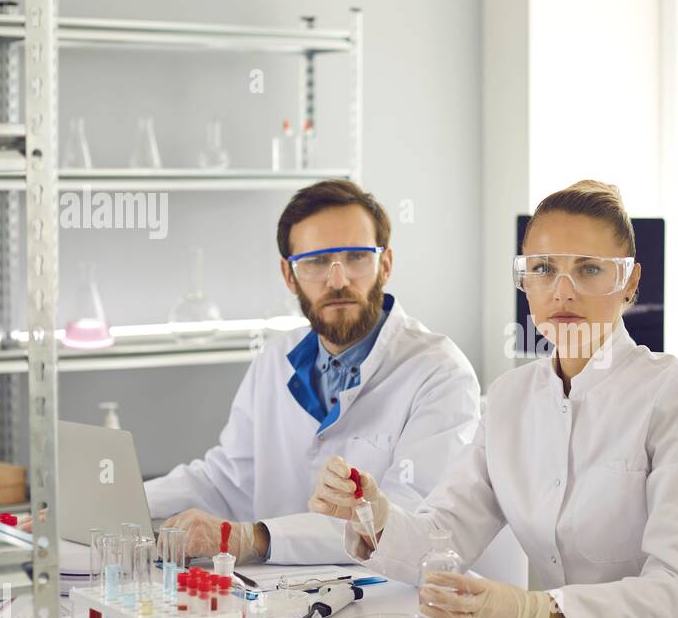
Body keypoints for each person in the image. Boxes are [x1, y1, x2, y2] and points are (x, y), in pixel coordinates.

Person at [310, 180, 678, 618]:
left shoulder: (676, 401)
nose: (562, 290)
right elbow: (445, 539)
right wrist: (374, 513)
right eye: (543, 268)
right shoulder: (513, 398)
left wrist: (536, 612)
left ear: (630, 282)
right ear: (525, 281)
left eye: (589, 269)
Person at [144, 179, 480, 564]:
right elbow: (224, 481)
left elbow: (407, 524)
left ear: (384, 265)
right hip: (279, 600)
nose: (338, 280)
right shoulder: (274, 360)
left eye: (356, 257)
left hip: (388, 605)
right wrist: (118, 501)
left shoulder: (439, 374)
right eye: (317, 262)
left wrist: (251, 538)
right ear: (290, 277)